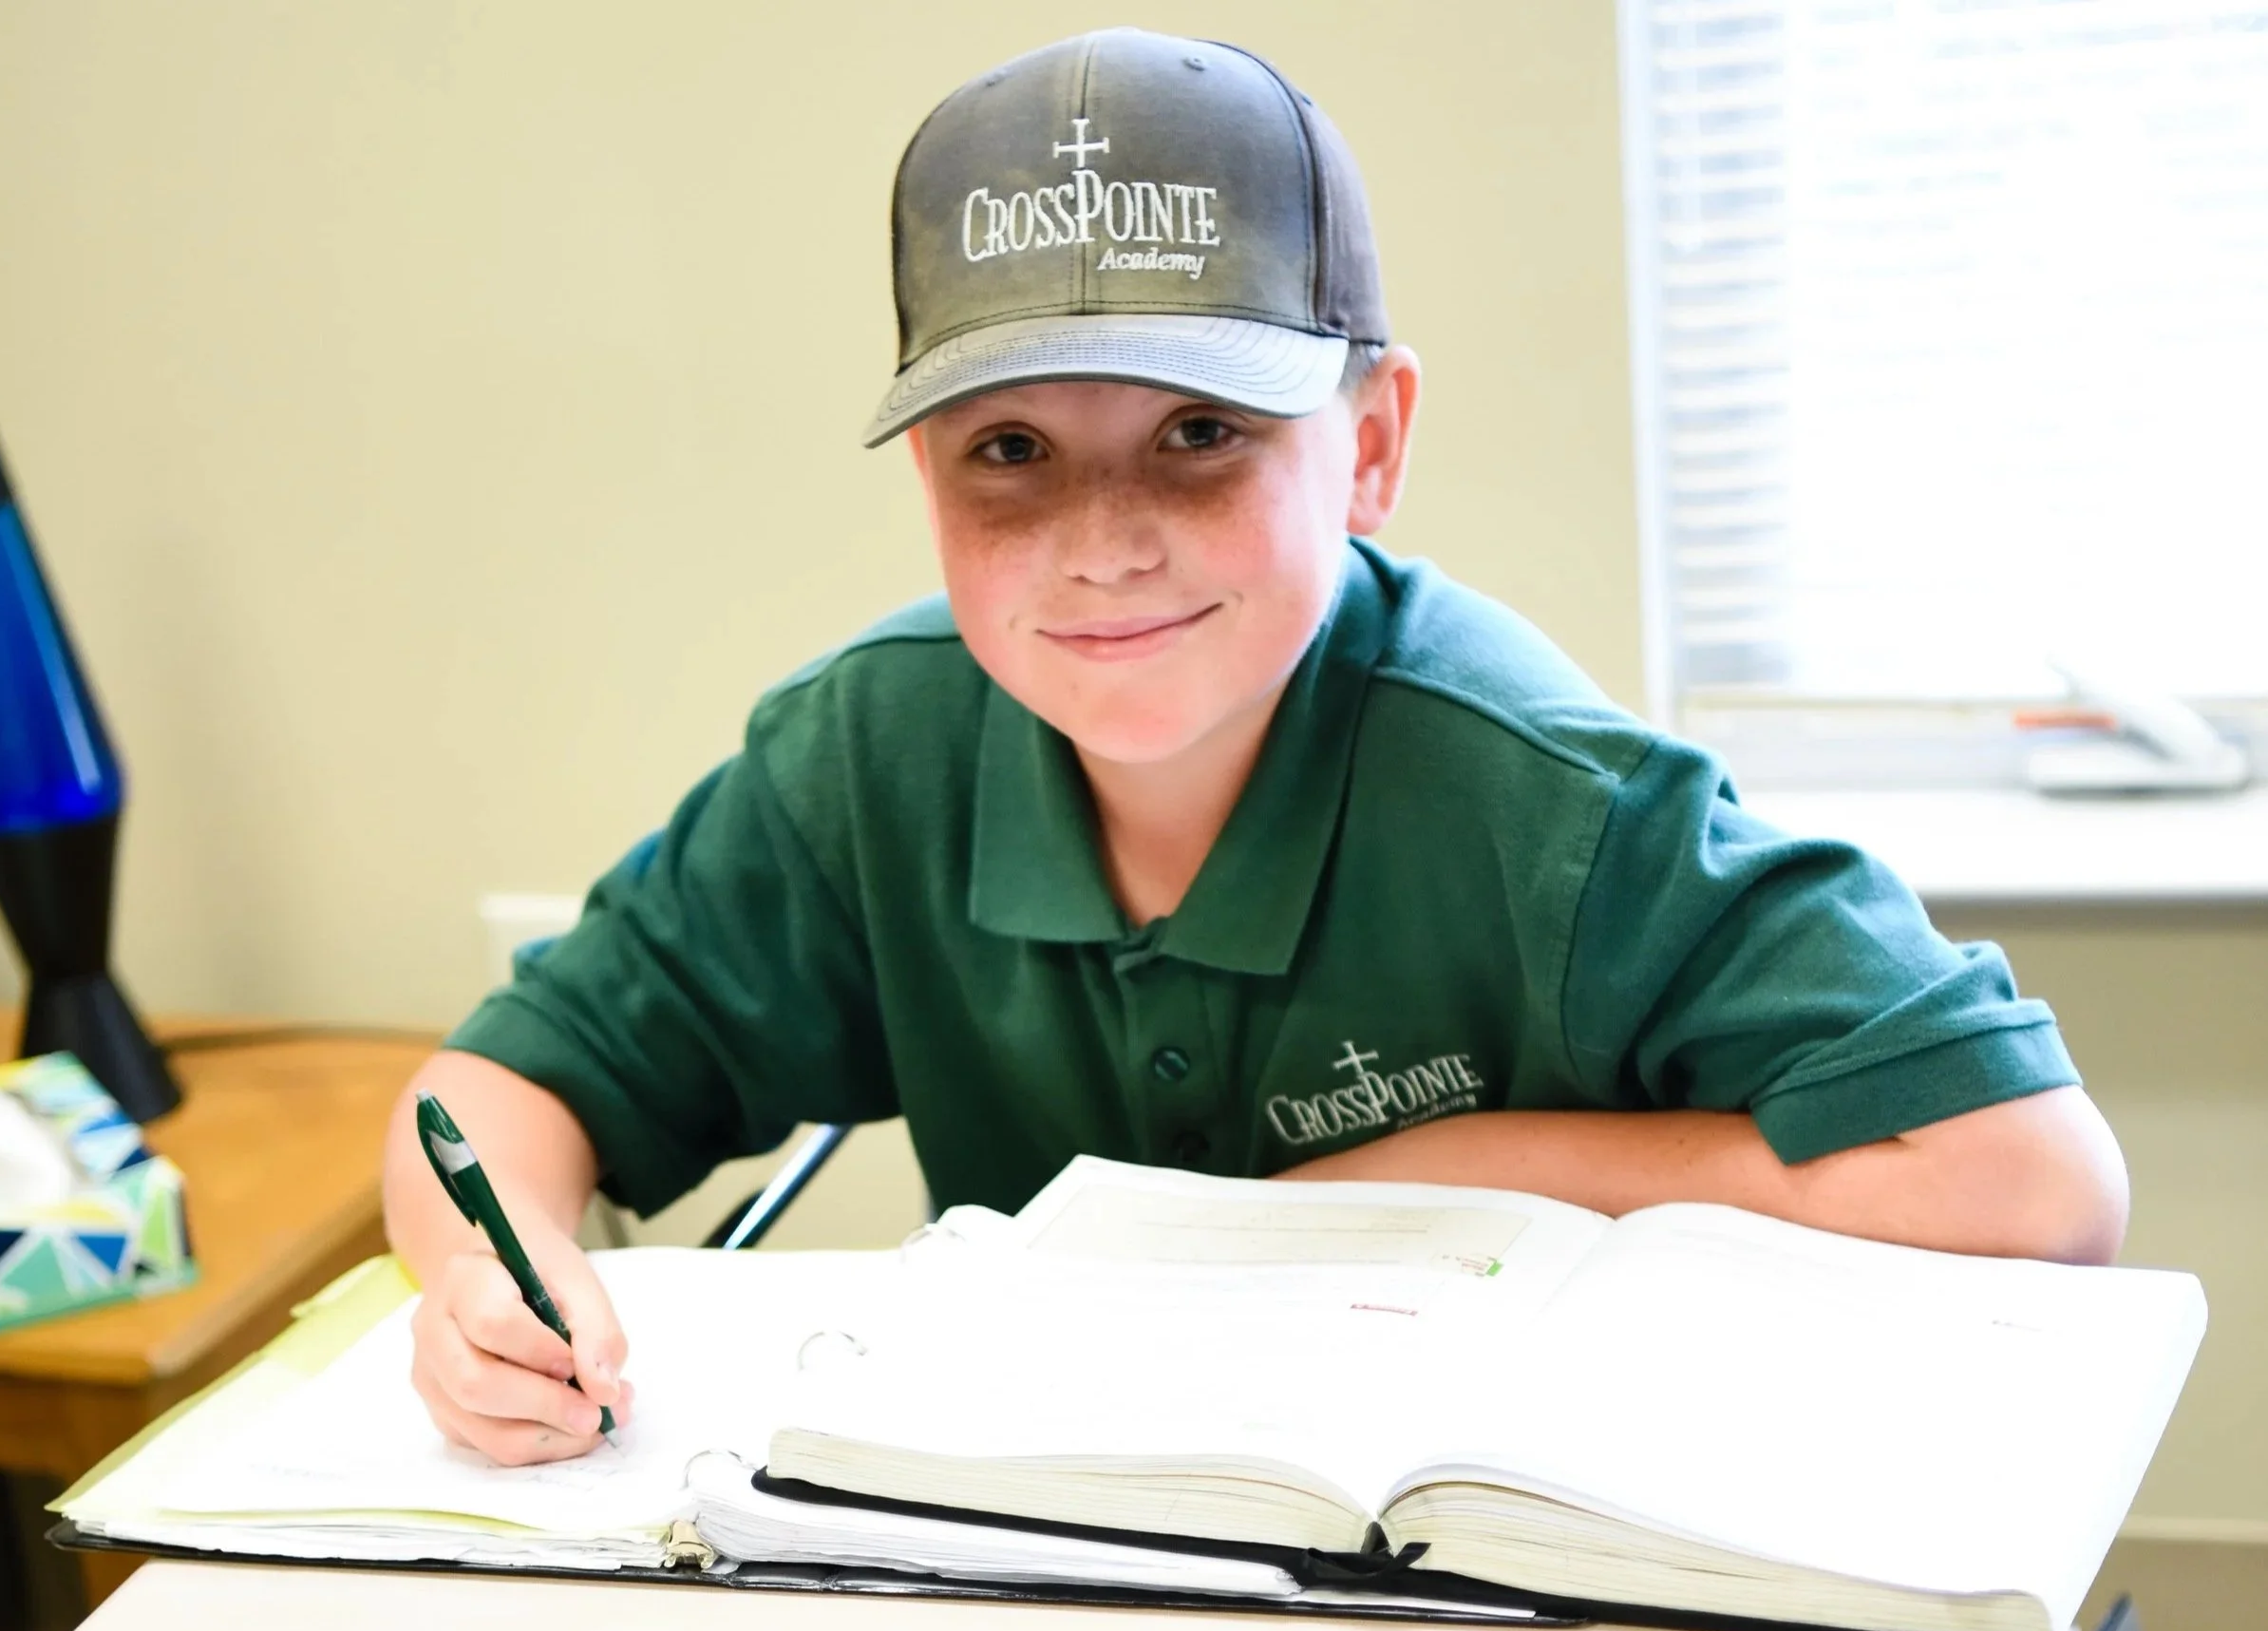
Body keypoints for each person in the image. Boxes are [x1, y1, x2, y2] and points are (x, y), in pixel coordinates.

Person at [381, 28, 2128, 1467]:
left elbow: (2036, 1183)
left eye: (1203, 431)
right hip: (1047, 1535)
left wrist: (1445, 1166)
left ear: (1373, 443)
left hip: (1488, 1546)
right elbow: (491, 1094)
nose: (1101, 541)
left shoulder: (1546, 806)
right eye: (1009, 451)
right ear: (926, 477)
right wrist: (494, 1279)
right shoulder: (871, 755)